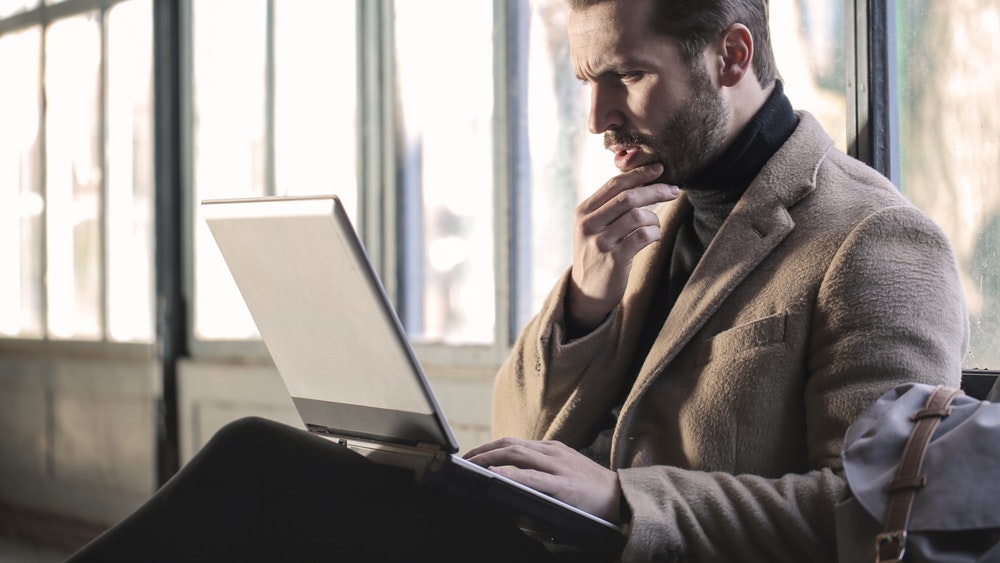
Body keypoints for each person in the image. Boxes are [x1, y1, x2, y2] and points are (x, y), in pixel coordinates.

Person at [66, 0, 969, 561]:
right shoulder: (649, 213)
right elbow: (518, 430)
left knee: (260, 477)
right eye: (587, 79)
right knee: (261, 464)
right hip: (533, 539)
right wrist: (583, 302)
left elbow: (873, 517)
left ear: (732, 57)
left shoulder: (876, 241)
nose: (597, 117)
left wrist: (622, 499)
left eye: (626, 75)